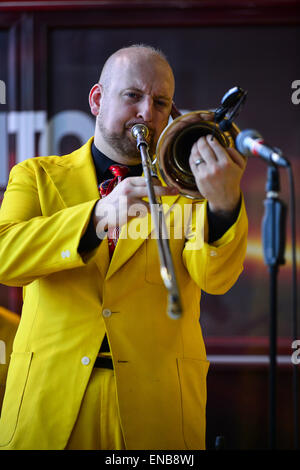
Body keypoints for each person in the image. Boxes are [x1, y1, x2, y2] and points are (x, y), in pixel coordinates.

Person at [0, 44, 248, 450]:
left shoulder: (187, 191)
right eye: (132, 96)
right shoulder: (36, 176)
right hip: (49, 402)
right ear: (98, 100)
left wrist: (223, 205)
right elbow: (4, 257)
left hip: (156, 405)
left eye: (161, 102)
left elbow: (216, 280)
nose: (147, 113)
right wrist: (97, 217)